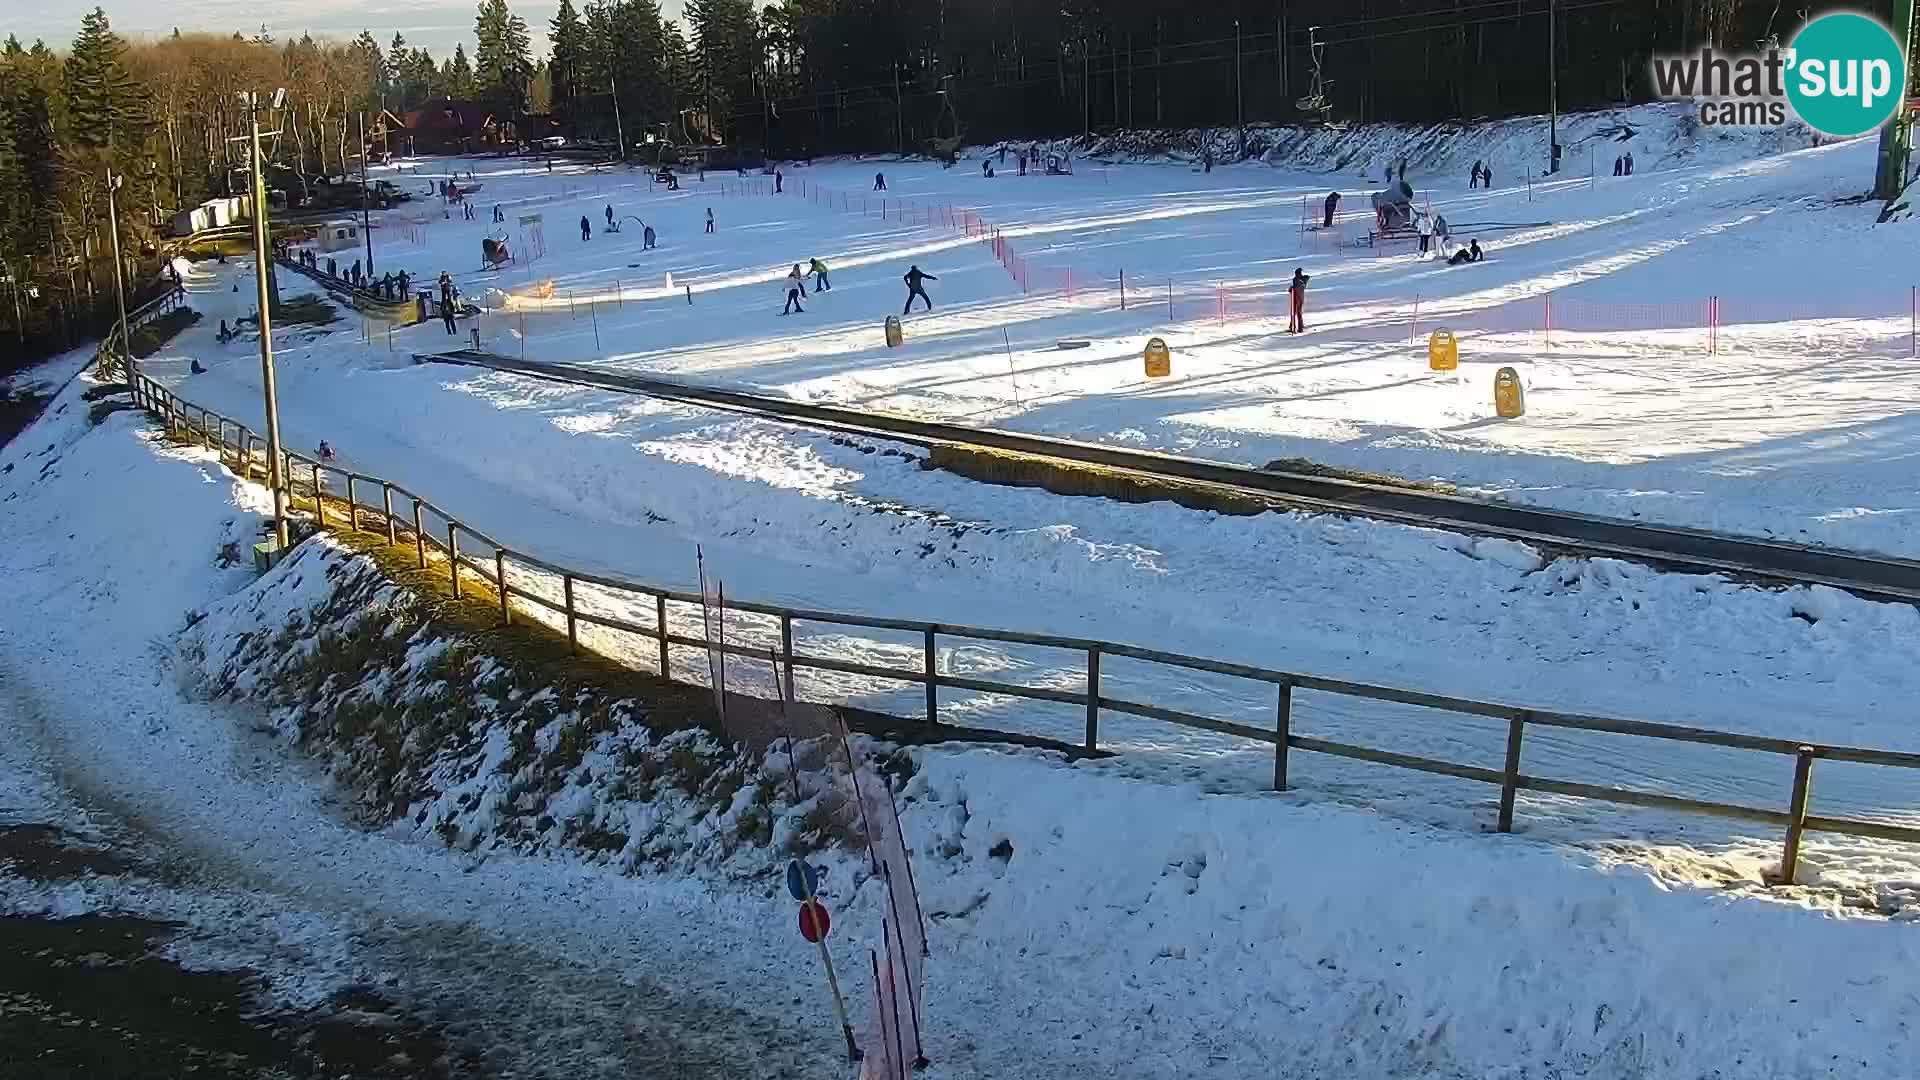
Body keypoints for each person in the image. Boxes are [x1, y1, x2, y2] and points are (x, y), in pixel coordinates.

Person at [1287, 267, 1310, 334]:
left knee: (1294, 313)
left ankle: (1295, 327)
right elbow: (1296, 289)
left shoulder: (1297, 281)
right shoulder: (1302, 281)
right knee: (1297, 313)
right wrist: (1292, 289)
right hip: (1299, 299)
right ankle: (1298, 327)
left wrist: (1292, 289)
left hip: (1296, 299)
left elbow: (1296, 289)